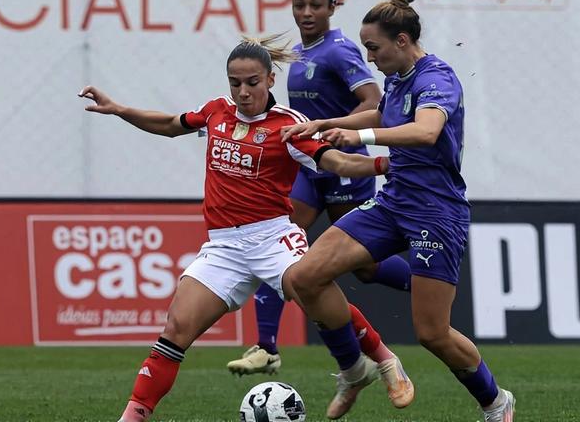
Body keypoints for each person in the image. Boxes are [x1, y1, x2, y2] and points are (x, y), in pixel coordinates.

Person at [78, 36, 411, 422]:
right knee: (175, 329)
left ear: (270, 79)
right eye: (235, 82)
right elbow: (171, 125)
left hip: (272, 237)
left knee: (313, 288)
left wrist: (383, 166)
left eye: (252, 82)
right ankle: (132, 417)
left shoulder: (288, 124)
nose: (242, 91)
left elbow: (336, 162)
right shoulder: (216, 112)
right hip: (223, 247)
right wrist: (119, 109)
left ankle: (383, 360)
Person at [281, 0, 516, 422]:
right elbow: (384, 112)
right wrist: (328, 122)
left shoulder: (437, 78)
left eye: (374, 48)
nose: (370, 58)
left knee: (433, 333)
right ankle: (357, 367)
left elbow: (426, 131)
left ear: (402, 42)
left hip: (435, 211)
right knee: (303, 277)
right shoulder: (399, 77)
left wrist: (360, 139)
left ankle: (496, 402)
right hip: (393, 202)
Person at [226, 0, 414, 379]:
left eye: (315, 6)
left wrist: (330, 126)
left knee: (363, 267)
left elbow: (373, 102)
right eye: (299, 6)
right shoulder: (297, 53)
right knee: (276, 239)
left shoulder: (342, 50)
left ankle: (425, 280)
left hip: (346, 166)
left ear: (332, 9)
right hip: (311, 168)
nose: (306, 13)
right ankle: (267, 347)